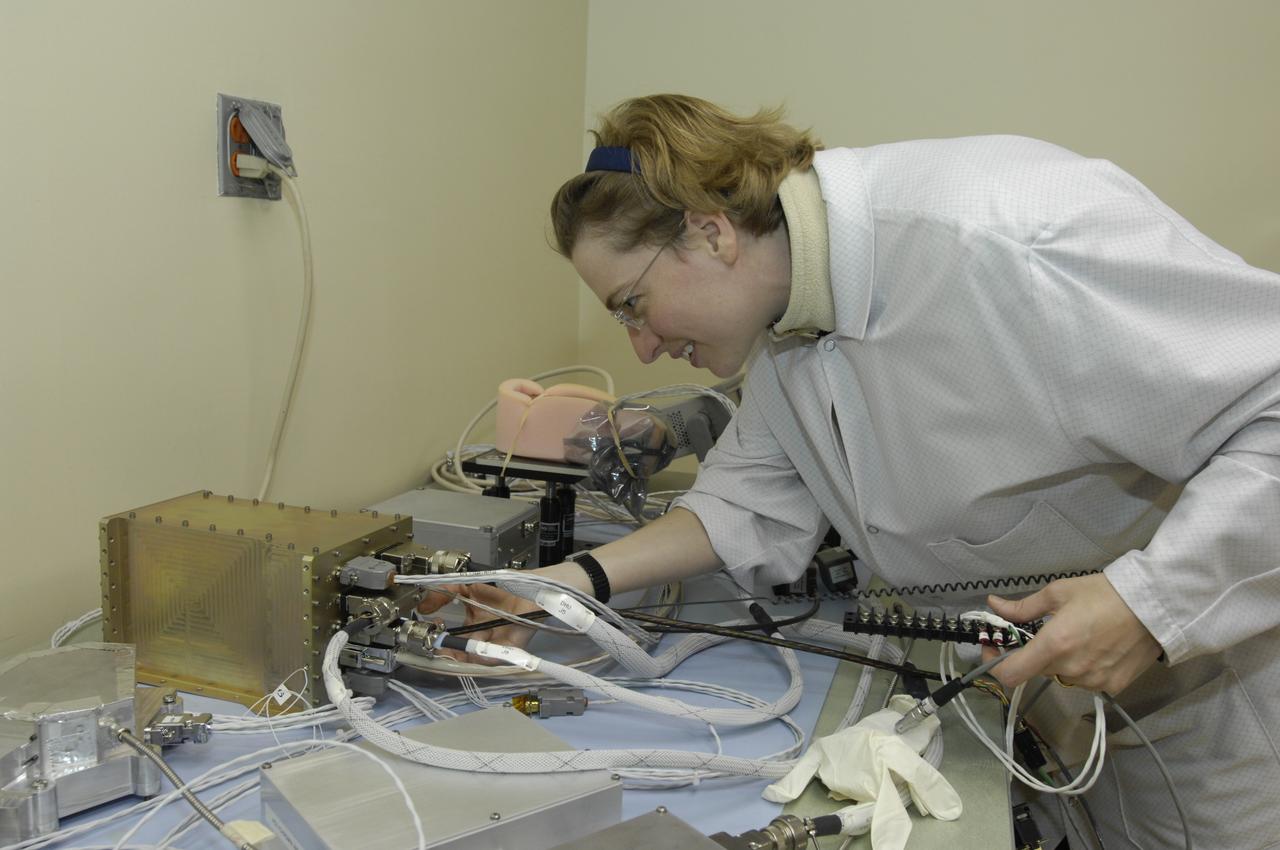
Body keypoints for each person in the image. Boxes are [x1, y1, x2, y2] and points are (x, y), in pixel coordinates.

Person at [424, 94, 1280, 848]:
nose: (641, 346)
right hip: (1056, 690)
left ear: (708, 231)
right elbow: (740, 503)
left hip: (1215, 699)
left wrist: (1150, 600)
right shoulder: (793, 326)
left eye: (632, 307)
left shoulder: (1007, 231)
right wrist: (561, 587)